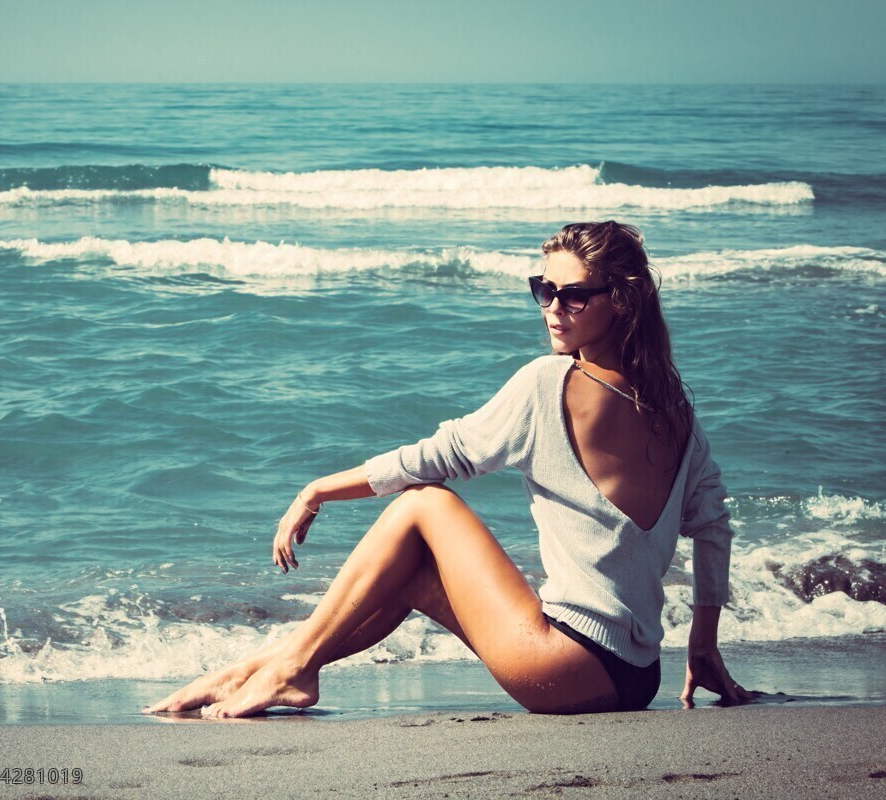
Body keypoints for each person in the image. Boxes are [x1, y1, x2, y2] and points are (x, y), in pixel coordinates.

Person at [144, 221, 754, 719]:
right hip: (637, 678)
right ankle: (264, 668)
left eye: (572, 295)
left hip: (566, 667)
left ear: (620, 301)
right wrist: (701, 647)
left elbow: (441, 457)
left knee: (424, 504)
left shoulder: (551, 383)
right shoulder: (675, 409)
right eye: (543, 290)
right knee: (407, 576)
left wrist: (317, 490)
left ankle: (288, 669)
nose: (552, 309)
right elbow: (714, 527)